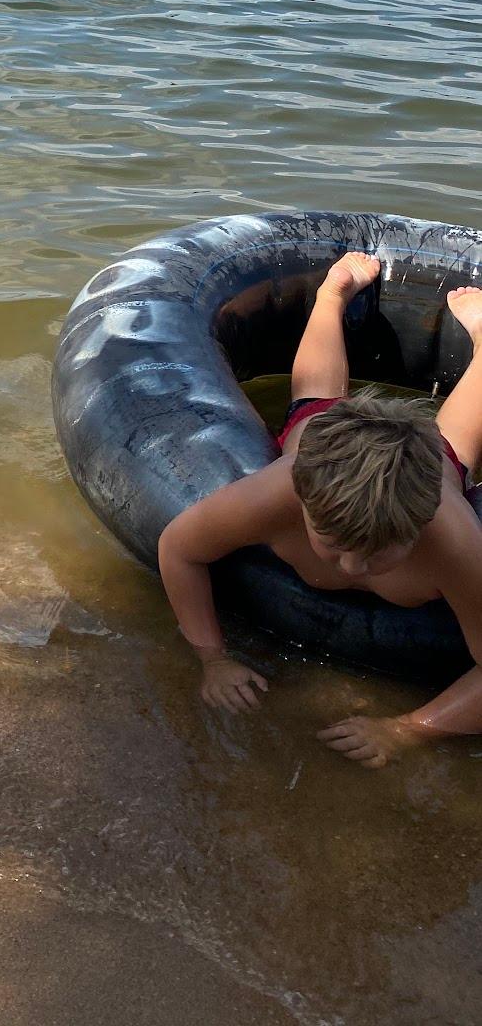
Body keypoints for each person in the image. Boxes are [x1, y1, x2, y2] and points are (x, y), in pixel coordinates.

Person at [158, 253, 482, 766]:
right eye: (332, 544)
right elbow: (178, 548)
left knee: (454, 445)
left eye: (380, 555)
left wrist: (408, 729)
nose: (352, 568)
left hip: (430, 470)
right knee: (313, 403)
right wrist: (212, 659)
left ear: (422, 524)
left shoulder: (452, 538)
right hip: (319, 442)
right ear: (303, 504)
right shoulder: (281, 493)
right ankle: (332, 295)